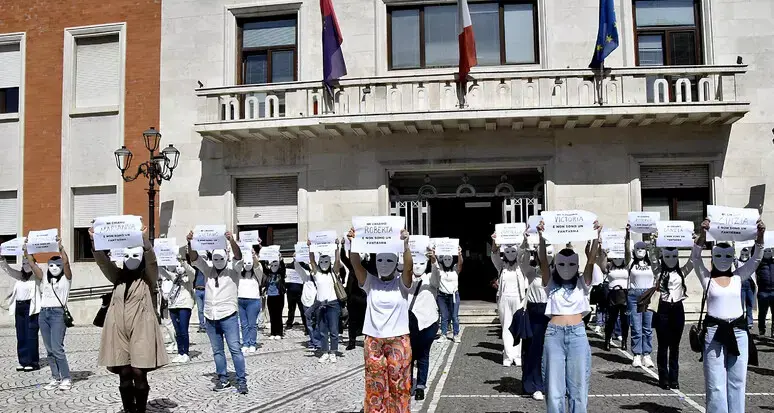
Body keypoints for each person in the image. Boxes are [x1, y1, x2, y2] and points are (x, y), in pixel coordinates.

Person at [91, 226, 168, 412]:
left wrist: (146, 243)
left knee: (138, 372)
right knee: (124, 372)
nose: (131, 260)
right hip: (118, 329)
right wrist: (95, 241)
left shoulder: (147, 278)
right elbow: (103, 263)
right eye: (127, 256)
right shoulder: (118, 277)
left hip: (141, 329)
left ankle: (140, 409)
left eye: (136, 255)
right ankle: (128, 409)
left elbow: (152, 263)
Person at [693, 218, 764, 413]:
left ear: (732, 257)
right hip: (714, 332)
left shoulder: (739, 276)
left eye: (727, 255)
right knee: (715, 383)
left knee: (737, 380)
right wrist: (703, 235)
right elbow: (695, 258)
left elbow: (756, 259)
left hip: (739, 332)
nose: (723, 259)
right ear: (713, 256)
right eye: (719, 255)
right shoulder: (706, 277)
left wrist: (760, 236)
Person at [348, 227, 413, 413]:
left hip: (398, 340)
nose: (384, 264)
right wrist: (354, 243)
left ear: (395, 262)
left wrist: (405, 245)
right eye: (380, 260)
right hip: (373, 340)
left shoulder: (401, 283)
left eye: (389, 260)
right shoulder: (370, 282)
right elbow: (356, 264)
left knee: (399, 385)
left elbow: (408, 267)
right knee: (374, 385)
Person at [538, 221, 600, 413]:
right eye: (562, 264)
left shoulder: (582, 283)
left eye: (572, 263)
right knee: (554, 390)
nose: (566, 268)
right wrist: (541, 237)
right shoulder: (550, 283)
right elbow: (542, 261)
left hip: (577, 335)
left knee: (578, 389)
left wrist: (595, 235)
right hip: (554, 335)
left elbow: (591, 260)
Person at [186, 230, 248, 394]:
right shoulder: (208, 270)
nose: (219, 261)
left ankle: (242, 381)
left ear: (226, 257)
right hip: (210, 316)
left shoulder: (233, 270)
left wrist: (232, 241)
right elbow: (194, 259)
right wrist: (191, 242)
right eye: (216, 259)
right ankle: (223, 379)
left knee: (235, 349)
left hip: (228, 315)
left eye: (222, 258)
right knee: (217, 351)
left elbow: (239, 256)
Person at [23, 236, 73, 391]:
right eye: (51, 265)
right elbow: (31, 263)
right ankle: (55, 377)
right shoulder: (44, 277)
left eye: (56, 265)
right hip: (43, 314)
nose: (54, 268)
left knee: (57, 348)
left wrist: (60, 248)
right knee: (49, 349)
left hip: (58, 314)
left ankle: (66, 377)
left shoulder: (66, 279)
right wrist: (27, 248)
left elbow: (66, 262)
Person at [514, 235, 553, 401]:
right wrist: (525, 244)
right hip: (535, 311)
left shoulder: (558, 270)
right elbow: (519, 258)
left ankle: (551, 382)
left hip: (552, 312)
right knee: (533, 350)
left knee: (551, 351)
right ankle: (534, 384)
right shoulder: (530, 271)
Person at [653, 245, 693, 390]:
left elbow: (692, 262)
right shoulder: (658, 272)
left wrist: (696, 245)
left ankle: (674, 378)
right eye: (667, 256)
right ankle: (663, 378)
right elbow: (652, 257)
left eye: (674, 257)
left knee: (675, 346)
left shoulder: (681, 272)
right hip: (662, 308)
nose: (671, 260)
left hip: (677, 309)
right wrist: (654, 241)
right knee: (663, 346)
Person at [490, 233, 527, 367]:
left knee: (518, 327)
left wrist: (524, 237)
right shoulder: (501, 266)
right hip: (504, 298)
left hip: (519, 298)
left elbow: (524, 250)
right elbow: (494, 254)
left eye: (513, 251)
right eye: (508, 251)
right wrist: (494, 240)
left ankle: (517, 355)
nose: (511, 254)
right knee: (506, 327)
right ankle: (507, 355)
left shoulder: (521, 265)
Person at [407, 249, 439, 401]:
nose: (418, 266)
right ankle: (407, 385)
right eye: (415, 263)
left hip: (428, 322)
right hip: (408, 323)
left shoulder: (430, 279)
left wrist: (433, 260)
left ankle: (420, 386)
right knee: (409, 356)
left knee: (423, 355)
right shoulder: (406, 279)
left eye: (421, 263)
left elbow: (437, 276)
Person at [0, 255, 41, 372]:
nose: (25, 266)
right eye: (23, 264)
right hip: (19, 307)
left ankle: (33, 362)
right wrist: (2, 259)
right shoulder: (20, 276)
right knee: (21, 334)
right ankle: (23, 361)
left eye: (28, 263)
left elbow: (38, 272)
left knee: (31, 334)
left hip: (30, 307)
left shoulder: (36, 277)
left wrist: (29, 255)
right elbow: (8, 270)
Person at [626, 227, 657, 368]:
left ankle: (647, 354)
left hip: (648, 295)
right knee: (636, 326)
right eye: (638, 249)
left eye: (642, 249)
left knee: (647, 327)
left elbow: (656, 251)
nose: (640, 251)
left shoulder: (652, 264)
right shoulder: (630, 263)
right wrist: (627, 234)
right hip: (634, 295)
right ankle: (637, 354)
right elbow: (627, 249)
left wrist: (653, 239)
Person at [309, 241, 343, 363]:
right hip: (321, 305)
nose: (324, 264)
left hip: (333, 304)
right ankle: (324, 352)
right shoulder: (317, 273)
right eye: (322, 262)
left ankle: (333, 351)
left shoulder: (334, 273)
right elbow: (312, 261)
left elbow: (338, 261)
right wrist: (310, 247)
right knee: (322, 330)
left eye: (326, 262)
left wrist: (337, 247)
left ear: (330, 263)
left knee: (333, 330)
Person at [163, 255, 195, 363]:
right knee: (177, 331)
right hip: (173, 306)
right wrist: (159, 259)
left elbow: (191, 271)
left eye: (179, 266)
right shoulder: (174, 278)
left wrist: (182, 261)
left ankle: (185, 352)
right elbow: (163, 272)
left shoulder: (188, 279)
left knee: (183, 330)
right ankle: (179, 352)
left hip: (185, 305)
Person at [601, 248, 630, 352]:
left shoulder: (627, 266)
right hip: (613, 294)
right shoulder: (609, 265)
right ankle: (607, 340)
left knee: (625, 321)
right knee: (611, 320)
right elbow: (603, 268)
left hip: (625, 294)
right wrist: (604, 253)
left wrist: (627, 235)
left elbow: (627, 253)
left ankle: (624, 341)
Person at [431, 248, 463, 342]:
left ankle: (456, 334)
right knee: (444, 316)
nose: (447, 261)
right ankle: (444, 334)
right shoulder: (440, 269)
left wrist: (459, 254)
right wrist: (433, 254)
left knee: (454, 316)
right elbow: (434, 262)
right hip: (442, 296)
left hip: (453, 295)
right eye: (445, 259)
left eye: (449, 259)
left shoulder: (455, 269)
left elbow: (460, 263)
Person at [341, 241, 367, 350]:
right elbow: (343, 257)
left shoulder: (367, 266)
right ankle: (352, 342)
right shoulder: (352, 266)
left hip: (364, 297)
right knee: (352, 320)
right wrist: (343, 245)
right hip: (352, 297)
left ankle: (367, 341)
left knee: (366, 320)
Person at [237, 250, 262, 353]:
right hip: (241, 300)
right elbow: (234, 264)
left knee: (252, 324)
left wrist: (253, 256)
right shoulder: (239, 274)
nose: (247, 265)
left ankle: (252, 343)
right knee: (243, 324)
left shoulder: (257, 274)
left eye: (249, 263)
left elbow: (257, 266)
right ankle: (246, 342)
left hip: (253, 300)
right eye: (245, 263)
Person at [262, 256, 286, 340]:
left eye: (275, 265)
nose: (273, 267)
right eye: (272, 265)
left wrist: (281, 259)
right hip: (270, 297)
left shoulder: (281, 274)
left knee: (278, 315)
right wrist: (263, 255)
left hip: (279, 296)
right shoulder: (268, 274)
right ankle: (273, 332)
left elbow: (283, 268)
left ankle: (279, 332)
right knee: (272, 315)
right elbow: (263, 267)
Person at [755, 246, 774, 336]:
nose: (767, 253)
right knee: (762, 312)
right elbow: (754, 255)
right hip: (763, 291)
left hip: (773, 291)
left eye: (769, 251)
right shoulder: (759, 263)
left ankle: (773, 329)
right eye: (765, 251)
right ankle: (761, 329)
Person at [285, 251, 305, 331]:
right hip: (290, 290)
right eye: (294, 256)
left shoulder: (302, 265)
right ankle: (289, 324)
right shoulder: (289, 266)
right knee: (291, 309)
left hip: (300, 291)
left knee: (302, 309)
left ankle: (305, 324)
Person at [736, 248, 756, 331]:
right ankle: (740, 321)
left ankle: (749, 322)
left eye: (746, 254)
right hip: (741, 286)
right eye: (743, 254)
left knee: (750, 305)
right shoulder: (737, 262)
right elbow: (733, 259)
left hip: (750, 286)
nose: (744, 256)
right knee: (740, 305)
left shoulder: (751, 262)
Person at [192, 261, 207, 333]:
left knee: (206, 309)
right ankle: (202, 325)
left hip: (206, 290)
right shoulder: (195, 268)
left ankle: (207, 325)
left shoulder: (207, 268)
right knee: (200, 310)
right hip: (198, 290)